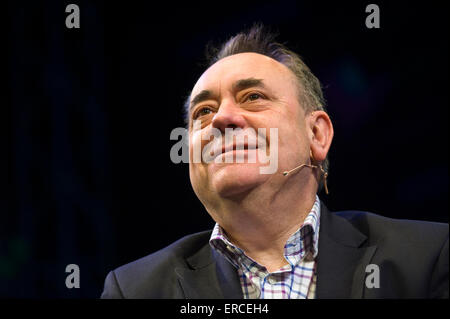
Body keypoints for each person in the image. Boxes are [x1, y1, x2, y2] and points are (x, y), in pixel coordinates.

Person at [101, 25, 448, 299]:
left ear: (317, 135)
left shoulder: (426, 259)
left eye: (253, 97)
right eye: (203, 112)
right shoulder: (135, 289)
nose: (221, 119)